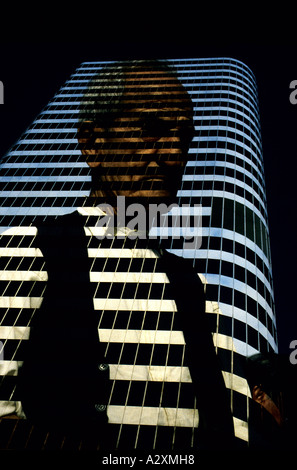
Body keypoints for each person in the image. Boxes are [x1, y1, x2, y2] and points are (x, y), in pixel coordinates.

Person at [3, 60, 235, 451]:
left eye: (184, 138)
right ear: (93, 145)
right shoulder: (28, 247)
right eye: (152, 130)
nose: (175, 154)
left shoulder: (195, 288)